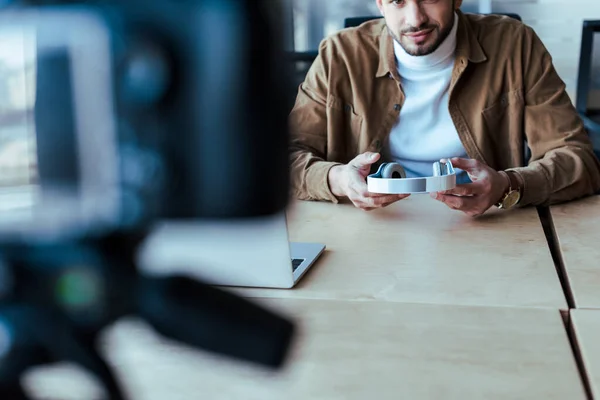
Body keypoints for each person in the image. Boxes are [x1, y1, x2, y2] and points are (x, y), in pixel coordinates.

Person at [288, 0, 600, 215]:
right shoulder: (339, 56)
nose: (415, 19)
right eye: (398, 1)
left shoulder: (516, 45)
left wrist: (508, 184)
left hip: (488, 230)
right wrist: (339, 179)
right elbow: (285, 159)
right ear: (380, 3)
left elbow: (579, 161)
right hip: (372, 230)